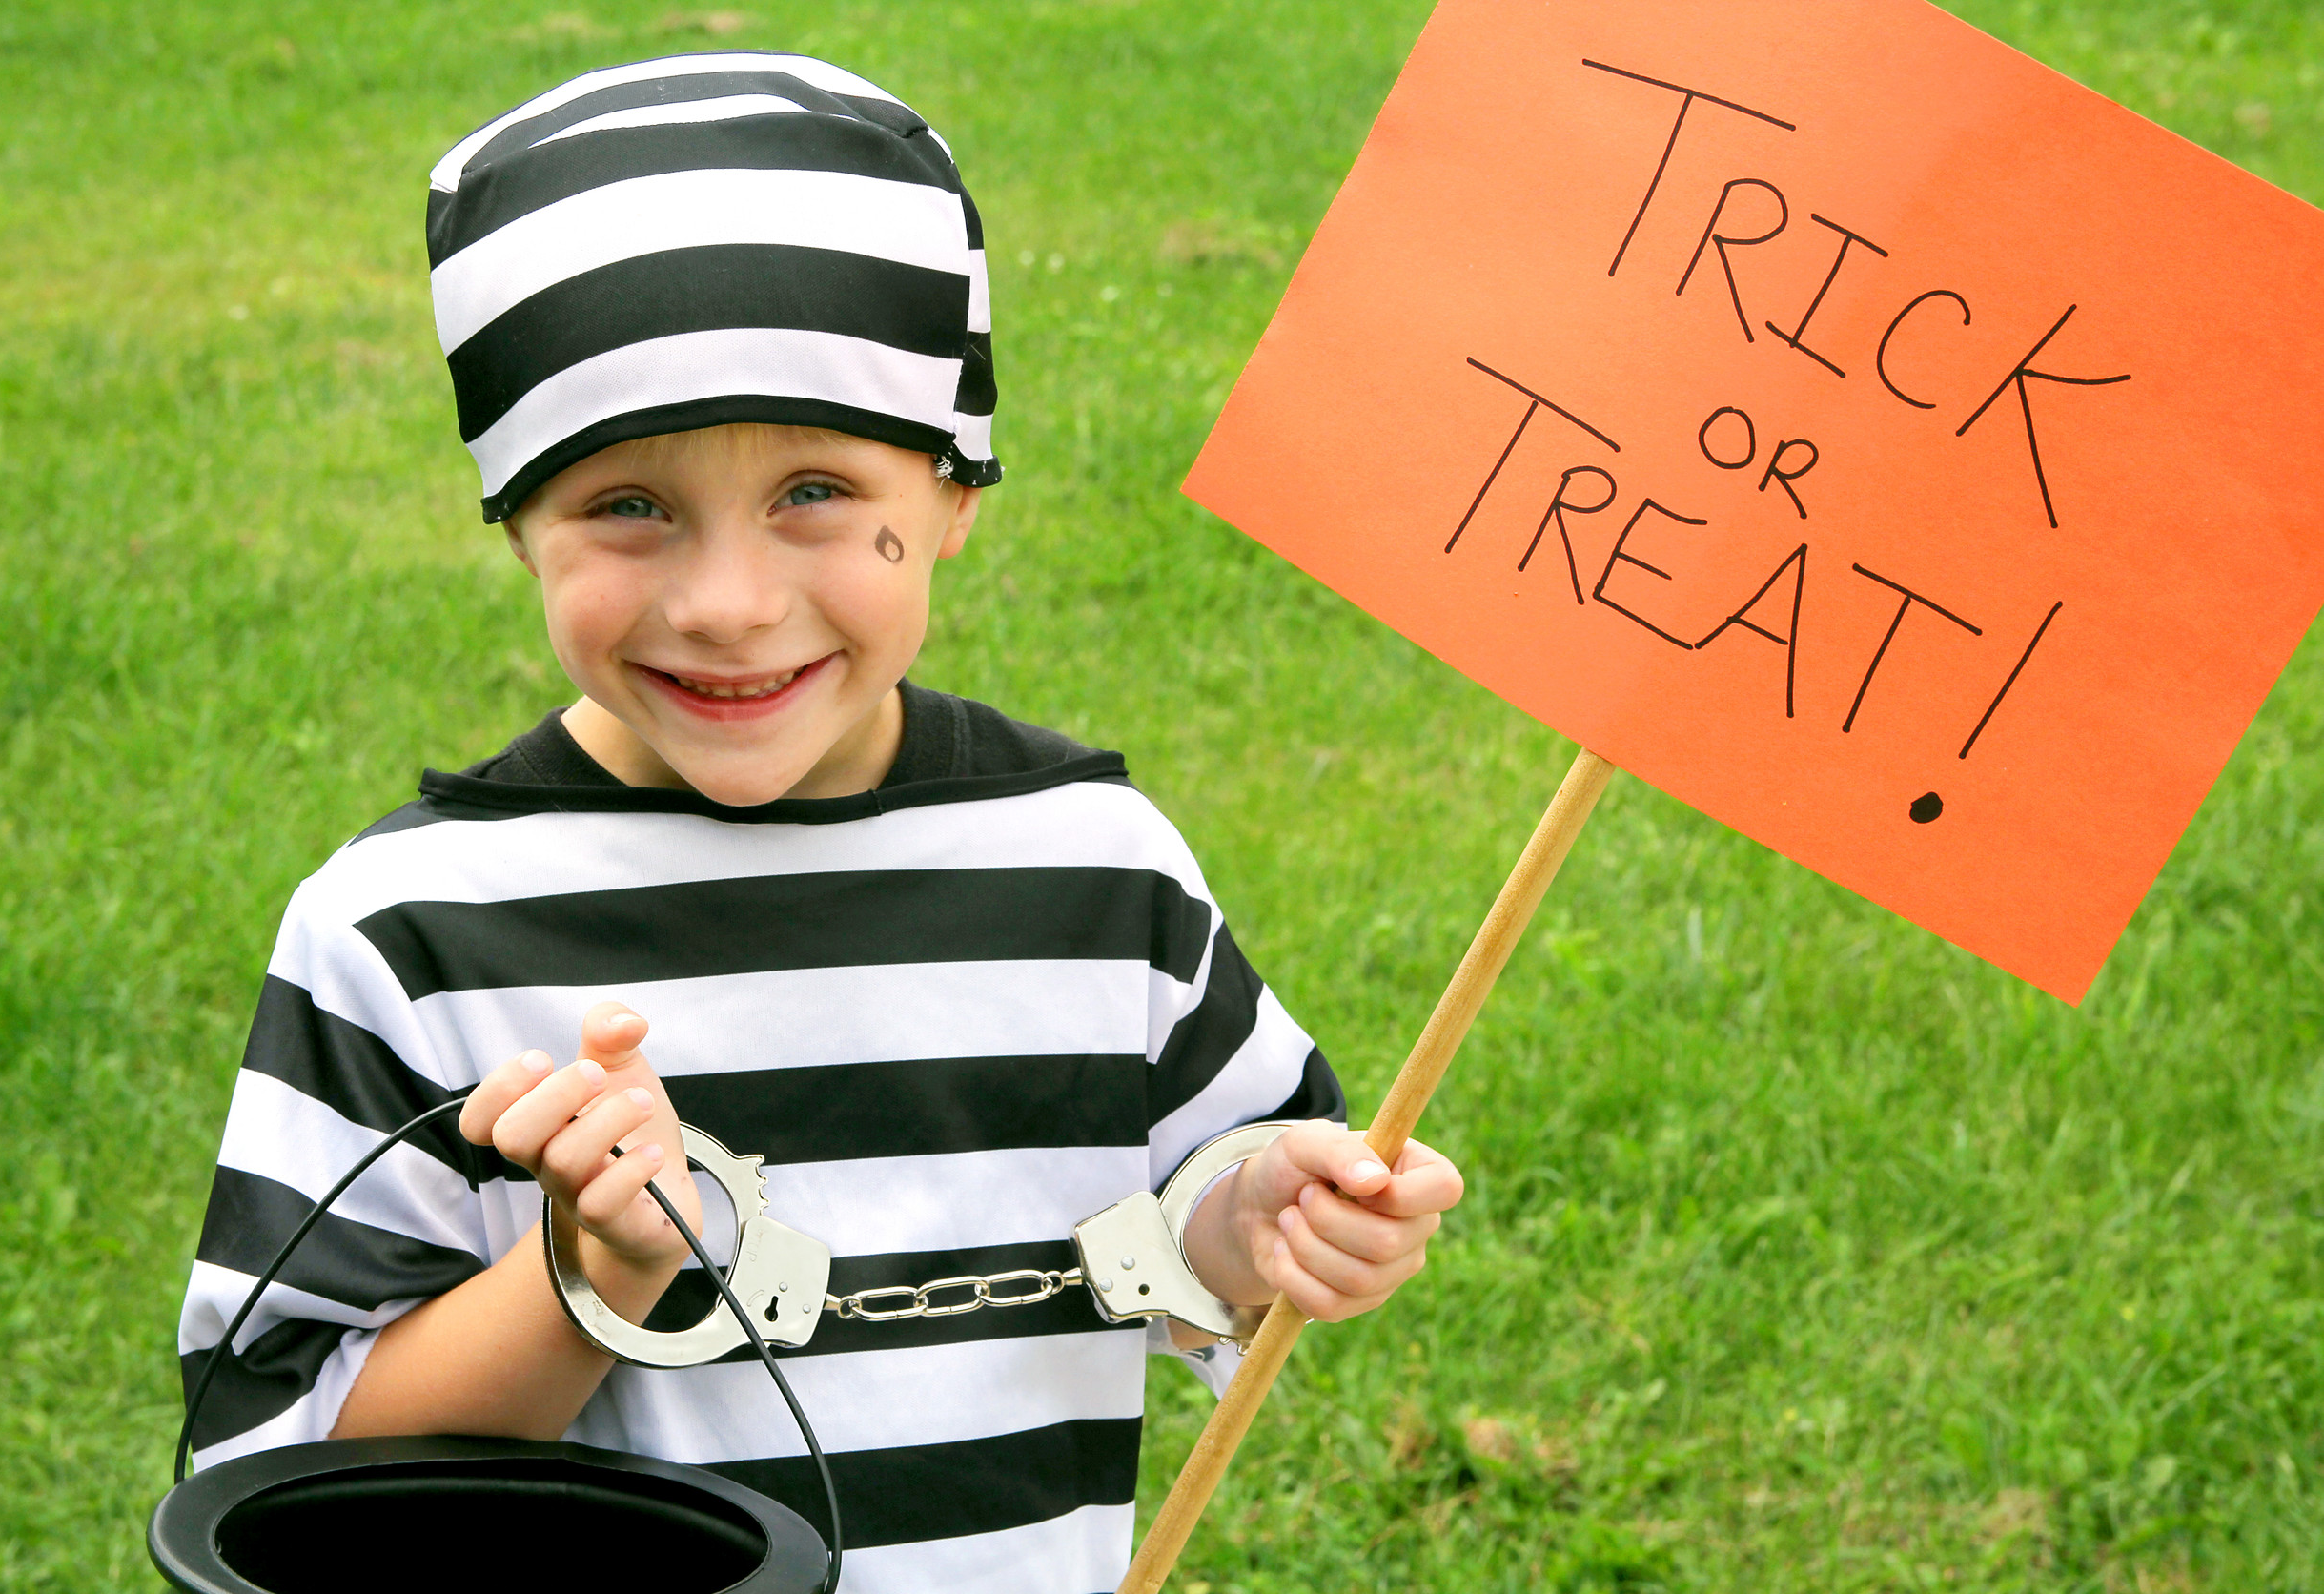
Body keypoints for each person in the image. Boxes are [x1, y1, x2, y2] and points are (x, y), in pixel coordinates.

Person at [177, 51, 1463, 1592]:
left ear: (953, 491)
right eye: (626, 504)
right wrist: (588, 1274)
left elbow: (1205, 1230)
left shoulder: (1096, 873)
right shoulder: (404, 934)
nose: (729, 605)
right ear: (517, 517)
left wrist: (1266, 1229)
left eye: (813, 491)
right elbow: (289, 1486)